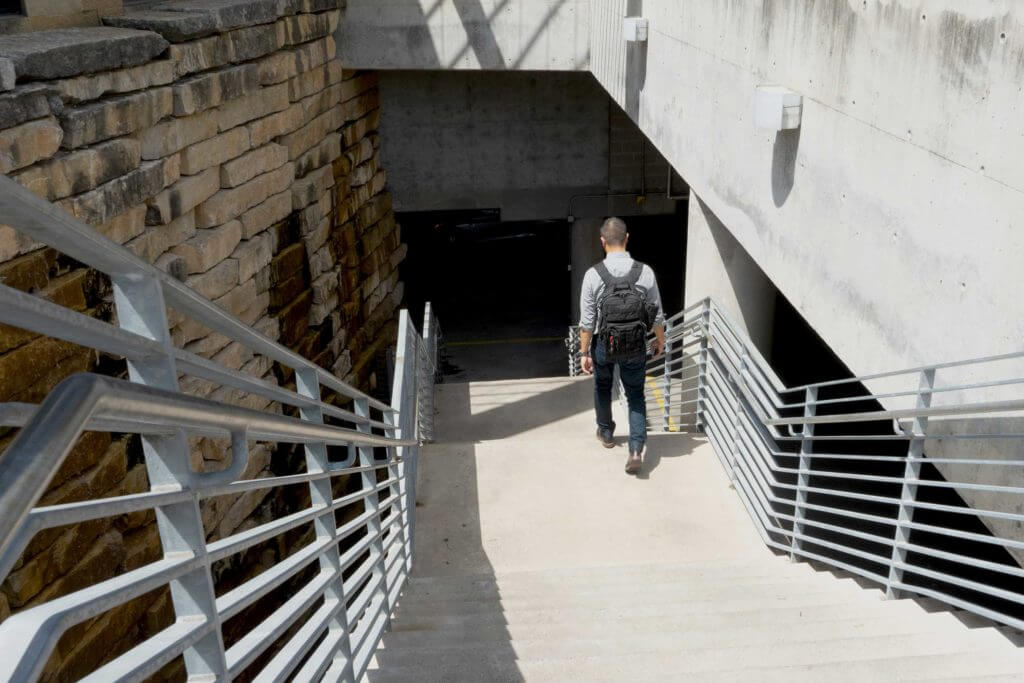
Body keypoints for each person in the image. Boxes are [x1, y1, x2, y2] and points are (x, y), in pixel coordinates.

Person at [578, 217, 666, 475]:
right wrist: (659, 340)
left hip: (603, 344)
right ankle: (636, 449)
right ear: (627, 238)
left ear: (602, 242)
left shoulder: (593, 275)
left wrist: (584, 352)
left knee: (603, 387)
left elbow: (587, 321)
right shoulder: (645, 271)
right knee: (635, 394)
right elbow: (657, 314)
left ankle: (605, 432)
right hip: (636, 345)